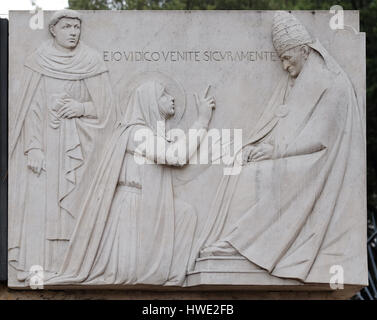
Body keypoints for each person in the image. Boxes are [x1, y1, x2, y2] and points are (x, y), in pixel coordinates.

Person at [190, 11, 366, 284]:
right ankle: (236, 242)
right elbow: (289, 129)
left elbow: (320, 138)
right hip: (298, 156)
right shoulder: (300, 81)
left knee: (261, 175)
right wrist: (262, 146)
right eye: (281, 58)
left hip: (320, 165)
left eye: (287, 57)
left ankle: (240, 245)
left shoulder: (333, 83)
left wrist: (276, 151)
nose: (284, 65)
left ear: (305, 51)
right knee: (244, 168)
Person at [45, 80, 216, 286]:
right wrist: (202, 120)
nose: (171, 98)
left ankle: (173, 276)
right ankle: (157, 274)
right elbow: (175, 157)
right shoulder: (136, 132)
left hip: (148, 203)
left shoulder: (152, 135)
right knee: (185, 214)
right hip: (133, 207)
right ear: (149, 102)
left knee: (186, 213)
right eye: (163, 94)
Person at [9, 10, 117, 281]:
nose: (73, 32)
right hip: (45, 145)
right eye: (67, 26)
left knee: (72, 207)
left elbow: (107, 109)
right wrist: (32, 147)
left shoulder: (90, 60)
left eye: (77, 27)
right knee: (40, 206)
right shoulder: (38, 61)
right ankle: (36, 266)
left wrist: (80, 107)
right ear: (53, 30)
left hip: (78, 148)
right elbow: (29, 109)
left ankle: (69, 266)